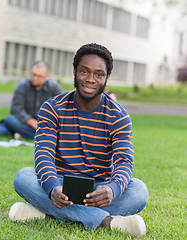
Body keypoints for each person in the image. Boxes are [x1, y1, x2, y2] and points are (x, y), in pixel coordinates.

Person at [9, 43, 149, 237]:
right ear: (74, 71)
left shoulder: (119, 116)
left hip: (99, 189)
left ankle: (46, 214)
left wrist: (111, 189)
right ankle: (107, 222)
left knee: (139, 191)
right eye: (84, 71)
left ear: (106, 77)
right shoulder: (52, 108)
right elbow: (43, 155)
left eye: (99, 74)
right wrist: (51, 188)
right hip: (60, 184)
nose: (90, 79)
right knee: (24, 177)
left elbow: (124, 162)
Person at [4, 61, 62, 139]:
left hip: (46, 125)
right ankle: (42, 136)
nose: (35, 78)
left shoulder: (54, 87)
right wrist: (30, 121)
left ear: (47, 76)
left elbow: (59, 110)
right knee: (9, 120)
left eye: (39, 76)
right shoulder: (23, 85)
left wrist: (43, 123)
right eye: (33, 74)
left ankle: (25, 134)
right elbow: (16, 109)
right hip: (26, 123)